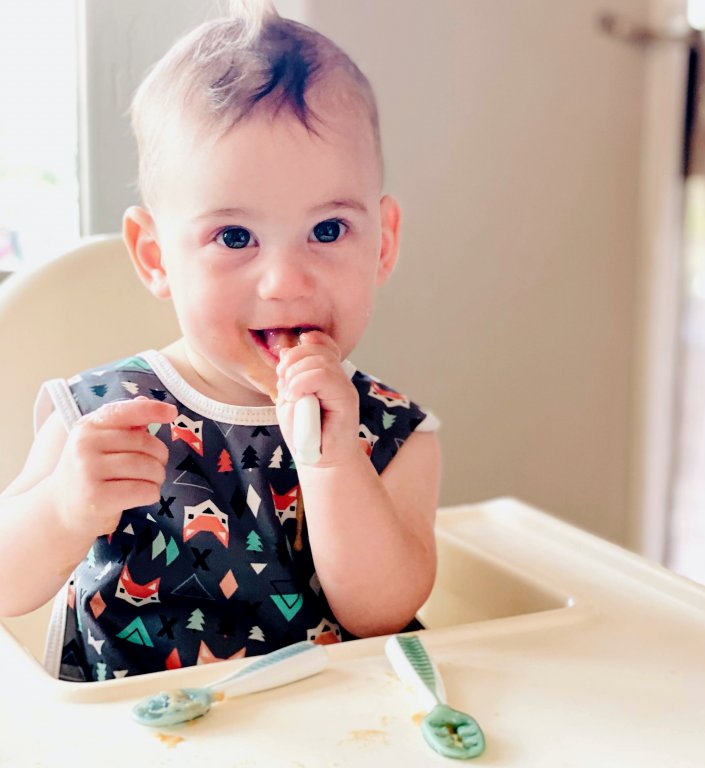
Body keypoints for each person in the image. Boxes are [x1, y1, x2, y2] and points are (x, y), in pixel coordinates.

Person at [0, 1, 441, 681]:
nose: (286, 280)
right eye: (235, 238)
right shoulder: (104, 416)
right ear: (154, 256)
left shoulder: (391, 435)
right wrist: (62, 507)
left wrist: (331, 465)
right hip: (139, 738)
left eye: (327, 230)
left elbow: (379, 614)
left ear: (382, 243)